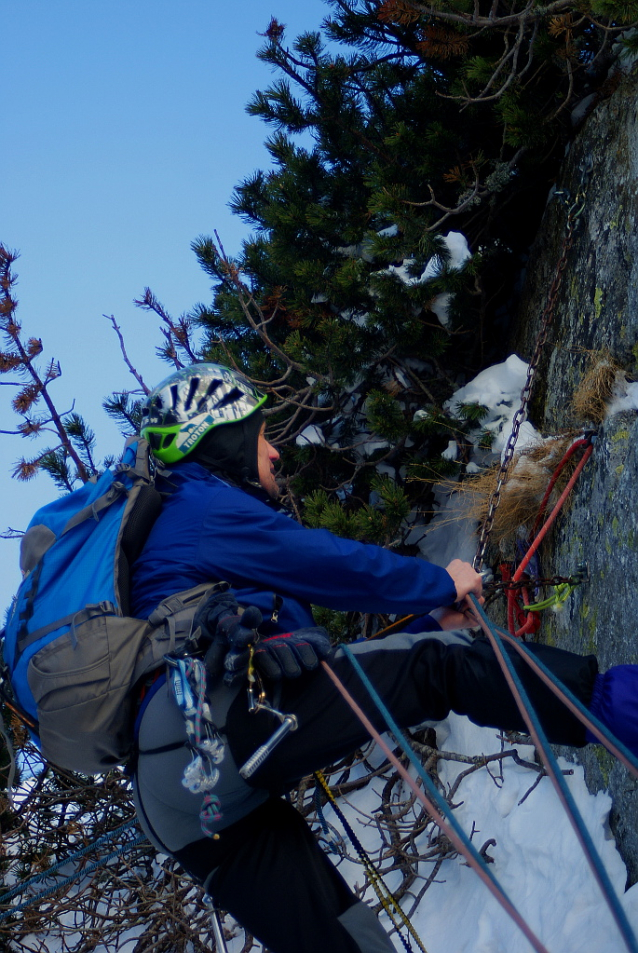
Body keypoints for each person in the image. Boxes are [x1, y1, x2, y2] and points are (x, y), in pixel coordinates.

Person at [130, 362, 637, 953]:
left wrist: (425, 623)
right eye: (261, 433)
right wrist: (439, 585)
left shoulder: (183, 551)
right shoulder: (199, 508)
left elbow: (332, 681)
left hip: (179, 804)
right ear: (220, 436)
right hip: (204, 725)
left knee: (342, 943)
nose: (274, 452)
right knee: (448, 662)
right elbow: (330, 564)